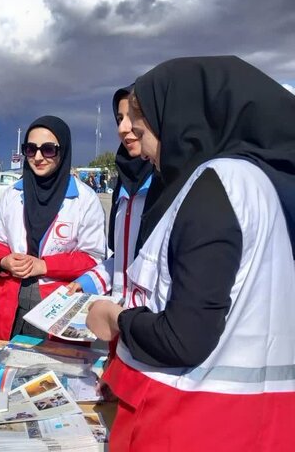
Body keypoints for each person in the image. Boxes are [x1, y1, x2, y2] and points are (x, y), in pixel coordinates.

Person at [87, 56, 295, 451]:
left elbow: (184, 338)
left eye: (138, 116)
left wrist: (115, 318)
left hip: (197, 421)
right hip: (240, 420)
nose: (126, 130)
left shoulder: (216, 187)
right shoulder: (249, 183)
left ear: (180, 113)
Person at [0, 115, 106, 340]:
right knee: (5, 368)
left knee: (51, 372)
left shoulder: (84, 199)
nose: (38, 157)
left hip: (58, 305)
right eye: (31, 149)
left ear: (63, 151)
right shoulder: (12, 194)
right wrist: (4, 260)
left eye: (48, 149)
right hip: (11, 304)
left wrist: (44, 265)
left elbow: (93, 257)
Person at [69, 85, 154, 300]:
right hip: (123, 318)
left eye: (134, 116)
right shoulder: (124, 186)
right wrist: (86, 282)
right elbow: (123, 260)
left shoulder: (172, 187)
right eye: (119, 119)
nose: (123, 128)